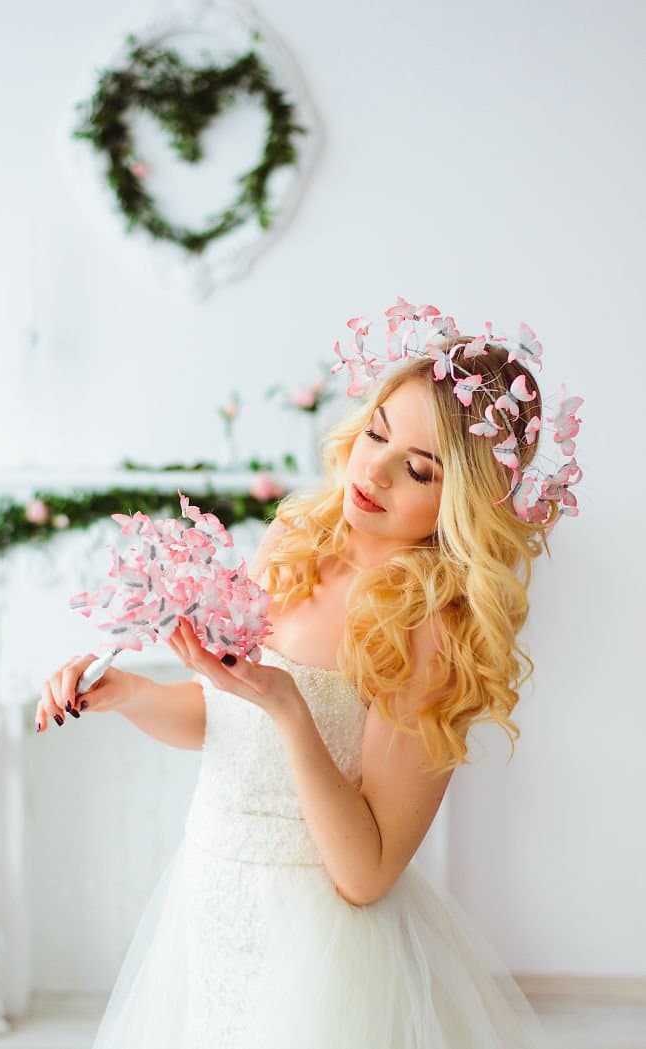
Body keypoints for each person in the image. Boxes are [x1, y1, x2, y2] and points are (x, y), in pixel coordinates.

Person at [38, 303, 576, 1046]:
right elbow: (227, 721)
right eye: (378, 432)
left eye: (418, 468)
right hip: (210, 899)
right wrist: (126, 694)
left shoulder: (431, 628)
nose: (375, 469)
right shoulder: (298, 538)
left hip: (319, 952)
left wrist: (291, 710)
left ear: (464, 498)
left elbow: (367, 873)